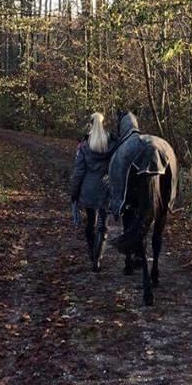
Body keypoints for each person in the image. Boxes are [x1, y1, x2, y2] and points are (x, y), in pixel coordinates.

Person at [70, 112, 115, 271]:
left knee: (91, 222)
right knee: (104, 224)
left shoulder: (84, 145)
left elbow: (79, 171)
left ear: (90, 123)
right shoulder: (111, 143)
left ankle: (92, 254)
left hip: (88, 189)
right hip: (105, 187)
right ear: (104, 123)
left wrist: (74, 191)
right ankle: (98, 257)